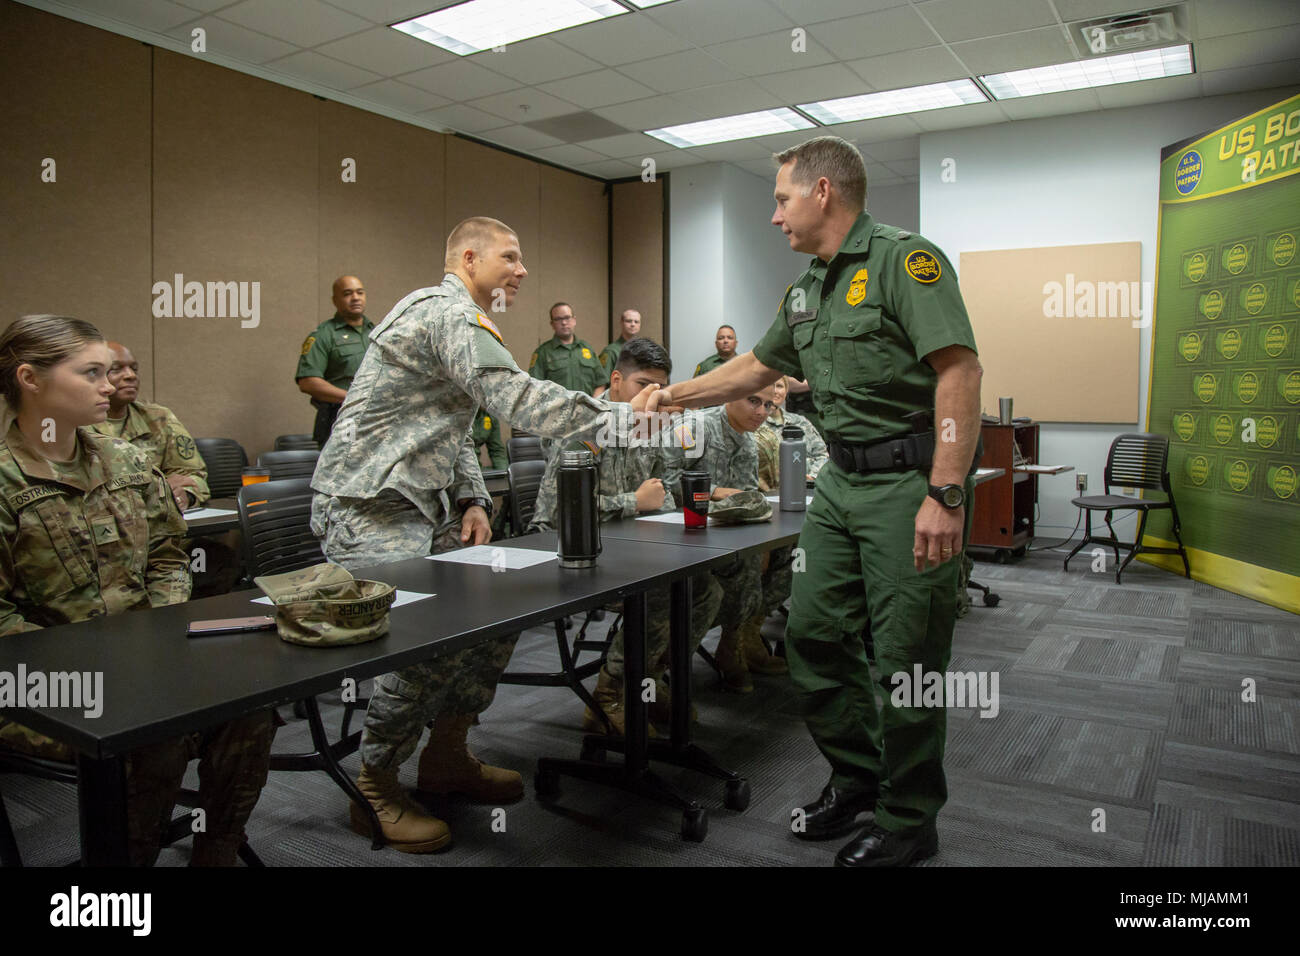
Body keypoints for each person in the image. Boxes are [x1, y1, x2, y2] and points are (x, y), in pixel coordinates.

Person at [659, 136, 982, 867]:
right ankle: (859, 779)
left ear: (823, 191)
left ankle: (910, 816)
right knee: (811, 638)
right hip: (839, 481)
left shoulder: (906, 260)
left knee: (906, 657)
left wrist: (947, 491)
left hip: (908, 481)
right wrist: (672, 392)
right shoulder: (805, 289)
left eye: (781, 198)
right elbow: (758, 366)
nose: (774, 216)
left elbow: (959, 370)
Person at [310, 217, 670, 854]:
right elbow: (510, 397)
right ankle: (374, 784)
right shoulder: (445, 312)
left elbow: (453, 424)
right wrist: (616, 415)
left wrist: (475, 496)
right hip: (367, 505)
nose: (522, 268)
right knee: (425, 637)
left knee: (499, 608)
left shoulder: (460, 319)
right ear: (468, 258)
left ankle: (447, 755)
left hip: (422, 506)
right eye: (511, 255)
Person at [0, 314, 272, 866]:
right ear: (30, 379)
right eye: (92, 373)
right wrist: (107, 664)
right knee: (154, 730)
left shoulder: (126, 459)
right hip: (35, 678)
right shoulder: (5, 480)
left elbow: (170, 553)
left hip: (141, 655)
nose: (110, 385)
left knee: (251, 700)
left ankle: (215, 852)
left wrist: (158, 634)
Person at [529, 338, 721, 734]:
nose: (653, 396)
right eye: (643, 385)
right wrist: (633, 501)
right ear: (616, 380)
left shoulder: (649, 425)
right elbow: (557, 513)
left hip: (627, 546)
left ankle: (648, 678)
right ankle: (609, 694)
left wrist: (653, 501)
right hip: (571, 551)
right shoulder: (584, 425)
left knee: (704, 588)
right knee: (659, 591)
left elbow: (664, 490)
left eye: (660, 387)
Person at [663, 382, 784, 693]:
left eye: (768, 405)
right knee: (744, 569)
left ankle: (737, 642)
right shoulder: (693, 428)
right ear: (730, 396)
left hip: (719, 535)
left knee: (786, 555)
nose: (762, 411)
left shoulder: (746, 442)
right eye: (753, 400)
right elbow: (665, 478)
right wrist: (712, 491)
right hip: (677, 532)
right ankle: (663, 667)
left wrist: (763, 539)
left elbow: (745, 498)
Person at [296, 275, 375, 447]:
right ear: (335, 300)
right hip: (343, 419)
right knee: (345, 471)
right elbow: (308, 382)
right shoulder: (324, 335)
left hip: (375, 420)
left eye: (359, 293)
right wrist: (353, 398)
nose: (355, 298)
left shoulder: (378, 333)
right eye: (347, 293)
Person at [528, 302, 604, 396]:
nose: (563, 322)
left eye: (567, 317)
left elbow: (600, 383)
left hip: (587, 409)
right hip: (556, 410)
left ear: (574, 320)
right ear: (552, 324)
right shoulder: (542, 353)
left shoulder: (587, 349)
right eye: (558, 319)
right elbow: (535, 388)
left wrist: (594, 403)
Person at [594, 308, 641, 397]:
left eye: (636, 322)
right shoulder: (611, 351)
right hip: (617, 401)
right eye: (629, 321)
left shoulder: (643, 350)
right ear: (621, 323)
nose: (632, 324)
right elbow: (601, 384)